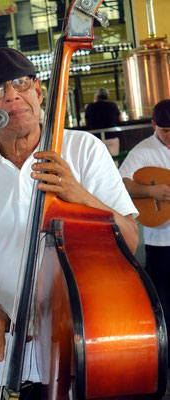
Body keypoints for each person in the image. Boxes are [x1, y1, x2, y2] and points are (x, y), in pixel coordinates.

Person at [0, 47, 138, 400]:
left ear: (39, 91)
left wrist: (79, 194)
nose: (12, 96)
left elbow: (130, 240)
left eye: (21, 83)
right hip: (2, 359)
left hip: (85, 347)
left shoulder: (84, 150)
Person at [119, 98, 170, 364]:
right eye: (165, 132)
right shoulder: (142, 152)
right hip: (161, 241)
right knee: (164, 302)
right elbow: (122, 183)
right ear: (153, 126)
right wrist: (151, 191)